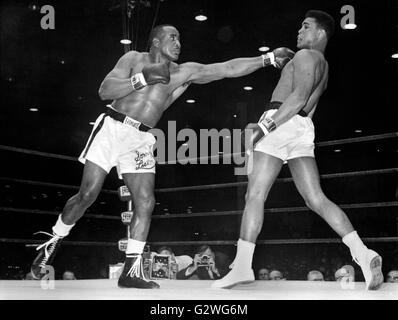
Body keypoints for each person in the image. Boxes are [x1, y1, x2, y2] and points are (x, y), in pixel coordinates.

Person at [30, 24, 294, 289]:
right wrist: (142, 79)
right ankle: (54, 240)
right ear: (156, 42)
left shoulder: (182, 72)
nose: (179, 43)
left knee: (145, 201)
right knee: (87, 194)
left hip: (141, 138)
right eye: (173, 37)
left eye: (180, 38)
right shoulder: (133, 59)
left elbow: (225, 68)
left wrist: (268, 59)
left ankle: (131, 270)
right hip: (112, 127)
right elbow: (104, 91)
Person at [212, 10, 384, 291]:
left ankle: (242, 265)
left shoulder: (305, 56)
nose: (299, 32)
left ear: (320, 33)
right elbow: (306, 104)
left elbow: (298, 96)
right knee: (316, 198)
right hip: (303, 127)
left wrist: (264, 127)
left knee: (254, 193)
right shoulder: (324, 66)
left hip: (282, 121)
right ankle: (363, 253)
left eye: (305, 27)